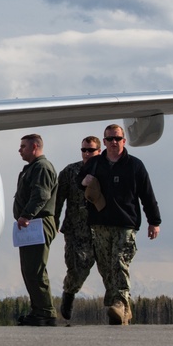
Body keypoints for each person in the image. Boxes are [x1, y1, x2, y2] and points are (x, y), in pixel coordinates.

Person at [78, 124, 161, 326]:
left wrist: (154, 221)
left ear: (124, 140)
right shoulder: (95, 163)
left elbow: (147, 195)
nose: (114, 142)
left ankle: (120, 303)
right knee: (106, 267)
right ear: (104, 142)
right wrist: (83, 180)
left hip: (126, 224)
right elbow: (79, 181)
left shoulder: (135, 165)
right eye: (109, 139)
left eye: (117, 138)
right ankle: (121, 306)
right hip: (100, 224)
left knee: (119, 261)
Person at [54, 136, 102, 321]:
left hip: (101, 228)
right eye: (84, 150)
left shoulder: (106, 170)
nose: (87, 154)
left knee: (110, 270)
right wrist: (54, 222)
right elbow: (58, 199)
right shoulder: (70, 171)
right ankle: (69, 292)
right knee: (77, 267)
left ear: (99, 151)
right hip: (76, 230)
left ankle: (117, 307)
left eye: (91, 150)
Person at [13, 134, 59, 326]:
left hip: (38, 222)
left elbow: (41, 195)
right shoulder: (32, 168)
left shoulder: (42, 167)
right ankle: (38, 310)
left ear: (34, 147)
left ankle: (46, 312)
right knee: (29, 269)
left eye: (23, 146)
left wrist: (26, 215)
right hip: (31, 223)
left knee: (36, 269)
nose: (19, 150)